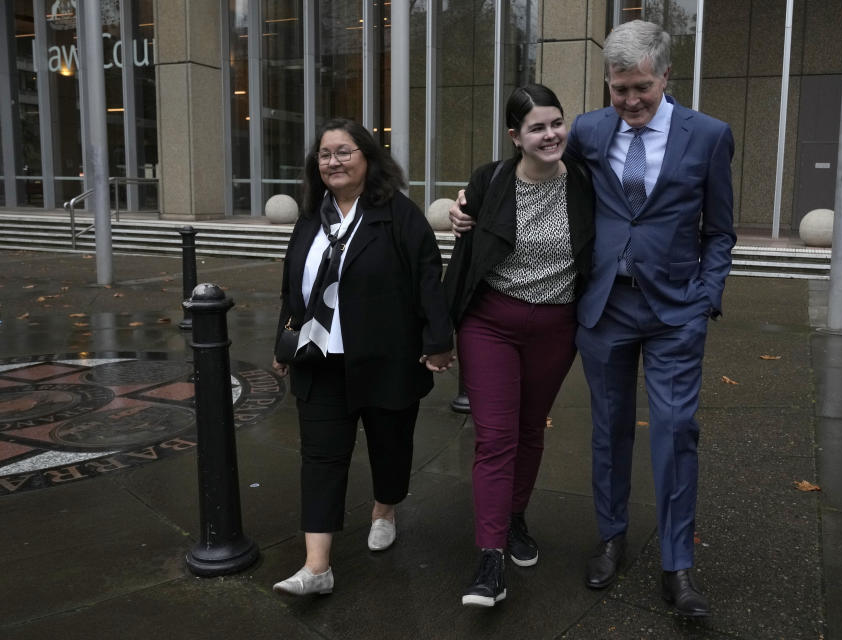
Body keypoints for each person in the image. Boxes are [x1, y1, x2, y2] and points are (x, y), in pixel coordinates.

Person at [450, 21, 736, 617]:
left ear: (665, 78)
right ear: (606, 84)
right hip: (604, 308)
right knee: (607, 431)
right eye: (618, 89)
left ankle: (677, 566)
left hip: (675, 311)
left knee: (677, 431)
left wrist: (707, 295)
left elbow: (722, 229)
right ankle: (611, 539)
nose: (630, 102)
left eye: (641, 89)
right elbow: (536, 168)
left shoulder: (708, 136)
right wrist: (469, 205)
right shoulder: (587, 129)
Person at [272, 118, 454, 596]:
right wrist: (283, 345)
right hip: (319, 359)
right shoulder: (311, 217)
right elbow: (295, 287)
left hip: (386, 357)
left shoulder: (399, 215)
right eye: (325, 154)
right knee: (320, 458)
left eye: (344, 151)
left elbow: (427, 278)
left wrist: (438, 342)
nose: (332, 161)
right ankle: (317, 568)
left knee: (389, 447)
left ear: (368, 158)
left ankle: (385, 508)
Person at [444, 84, 595, 608]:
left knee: (530, 430)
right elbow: (466, 249)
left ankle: (514, 518)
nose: (551, 134)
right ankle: (490, 558)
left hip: (557, 328)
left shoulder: (585, 180)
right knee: (496, 437)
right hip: (491, 324)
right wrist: (457, 217)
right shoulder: (490, 180)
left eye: (557, 122)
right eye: (537, 127)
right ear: (516, 136)